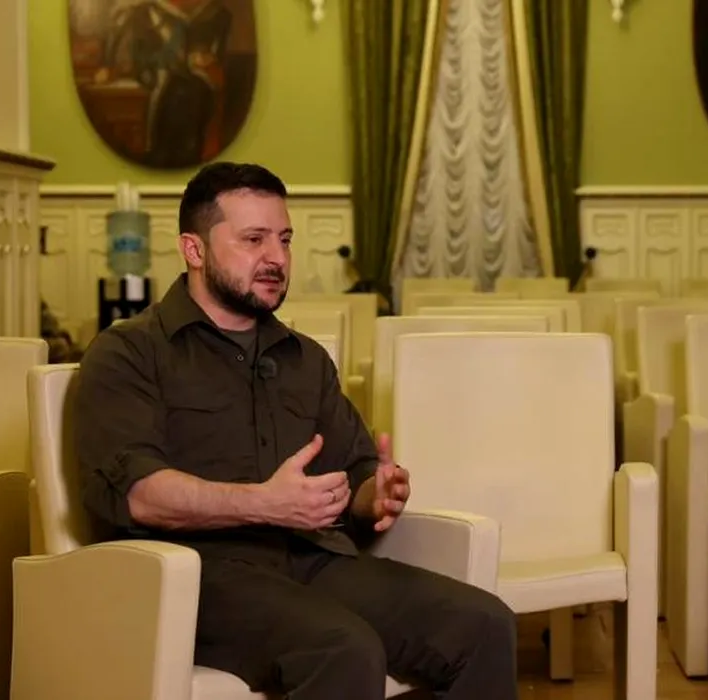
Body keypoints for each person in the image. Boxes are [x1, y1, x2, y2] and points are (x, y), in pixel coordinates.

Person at [75, 162, 518, 699]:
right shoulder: (129, 352)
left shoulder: (305, 359)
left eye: (284, 239)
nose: (277, 258)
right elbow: (139, 494)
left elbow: (355, 472)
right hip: (196, 576)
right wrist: (264, 503)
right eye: (254, 239)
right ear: (194, 250)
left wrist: (374, 494)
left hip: (311, 560)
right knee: (344, 649)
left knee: (485, 624)